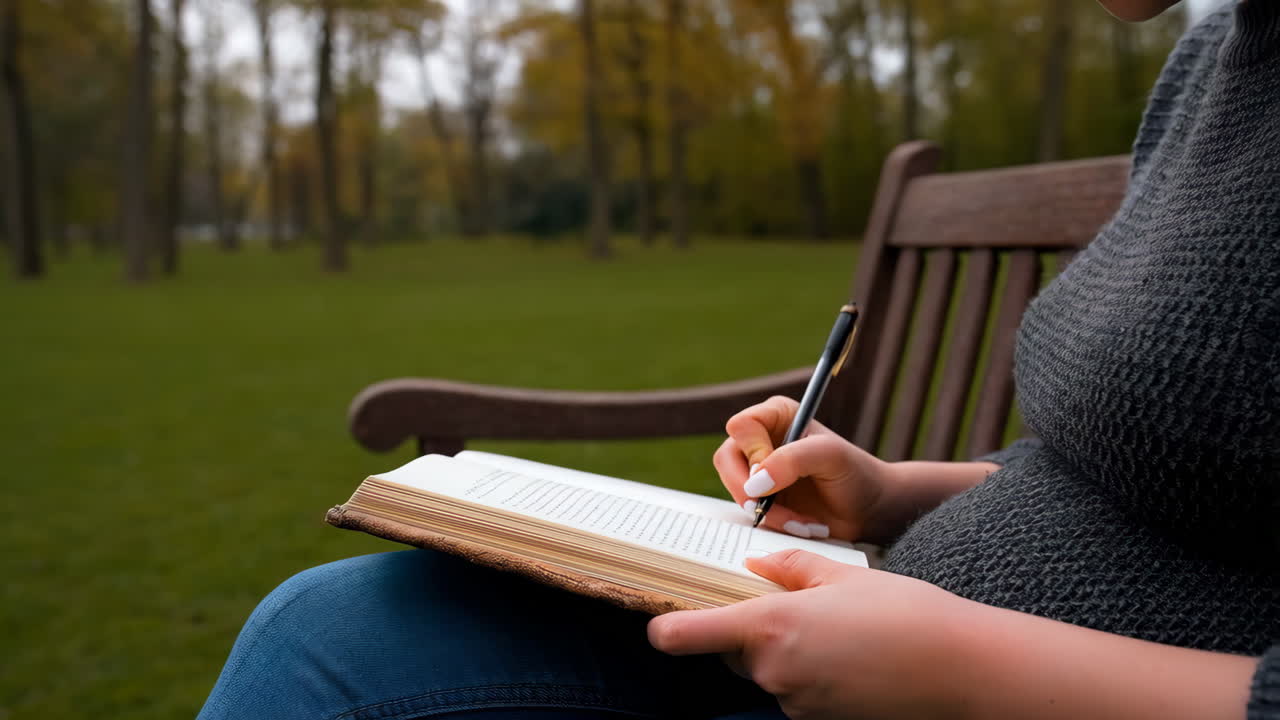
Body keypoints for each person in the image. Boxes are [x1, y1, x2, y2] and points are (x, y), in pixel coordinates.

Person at [198, 0, 1280, 717]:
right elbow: (1139, 471)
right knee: (325, 631)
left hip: (961, 690)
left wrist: (965, 668)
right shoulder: (1212, 60)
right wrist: (891, 494)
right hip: (870, 627)